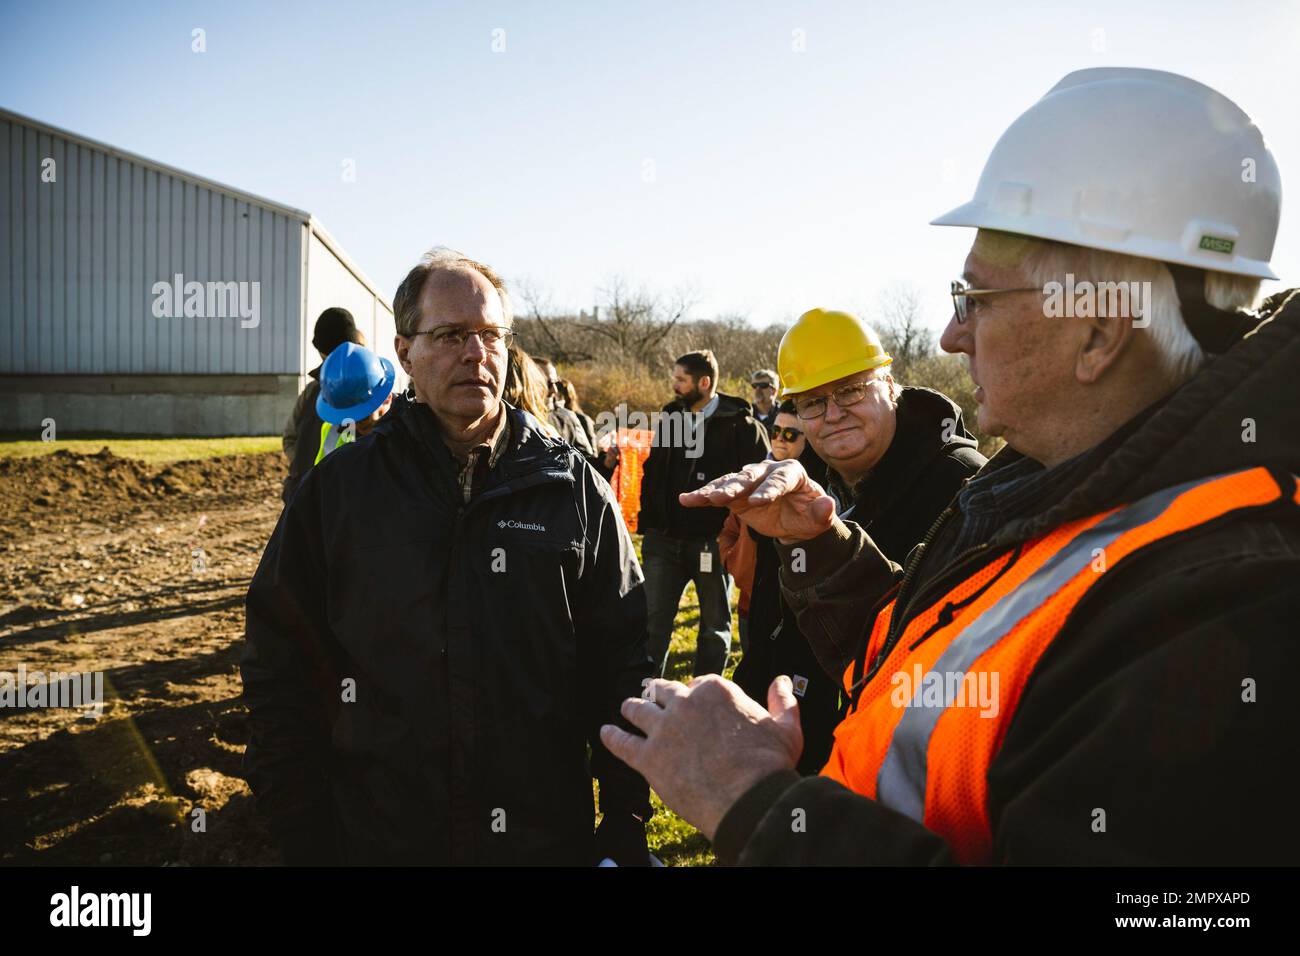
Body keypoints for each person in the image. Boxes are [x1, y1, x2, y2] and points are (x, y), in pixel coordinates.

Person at [600, 68, 1300, 866]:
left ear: (1097, 332)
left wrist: (757, 804)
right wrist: (826, 551)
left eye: (975, 297)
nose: (949, 335)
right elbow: (952, 678)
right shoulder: (1078, 490)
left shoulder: (1229, 605)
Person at [242, 246, 653, 866]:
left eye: (491, 335)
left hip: (540, 841)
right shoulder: (340, 492)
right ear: (404, 352)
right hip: (382, 838)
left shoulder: (571, 489)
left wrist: (622, 826)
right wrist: (300, 830)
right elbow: (280, 666)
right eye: (452, 334)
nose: (475, 353)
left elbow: (626, 664)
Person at [732, 313, 984, 775]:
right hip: (805, 753)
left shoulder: (963, 487)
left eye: (849, 391)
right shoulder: (804, 489)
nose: (832, 413)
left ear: (890, 385)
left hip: (902, 767)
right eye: (811, 402)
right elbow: (773, 627)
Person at [637, 349, 771, 677]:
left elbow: (757, 486)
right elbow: (653, 473)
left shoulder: (743, 427)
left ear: (704, 382)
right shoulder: (670, 417)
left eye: (681, 380)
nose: (674, 385)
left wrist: (731, 537)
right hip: (664, 543)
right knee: (652, 624)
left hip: (712, 545)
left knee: (714, 628)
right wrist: (651, 526)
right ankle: (645, 699)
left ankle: (705, 698)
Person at [281, 308, 364, 503]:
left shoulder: (363, 393)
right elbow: (290, 438)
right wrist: (305, 465)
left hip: (338, 502)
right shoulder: (311, 392)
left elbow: (289, 439)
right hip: (305, 499)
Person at [312, 342, 397, 464]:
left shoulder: (412, 428)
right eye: (347, 415)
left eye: (362, 414)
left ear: (387, 398)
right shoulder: (333, 431)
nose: (354, 423)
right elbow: (321, 478)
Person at [503, 344, 561, 437]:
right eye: (548, 383)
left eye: (556, 383)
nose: (554, 390)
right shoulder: (544, 433)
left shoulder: (543, 433)